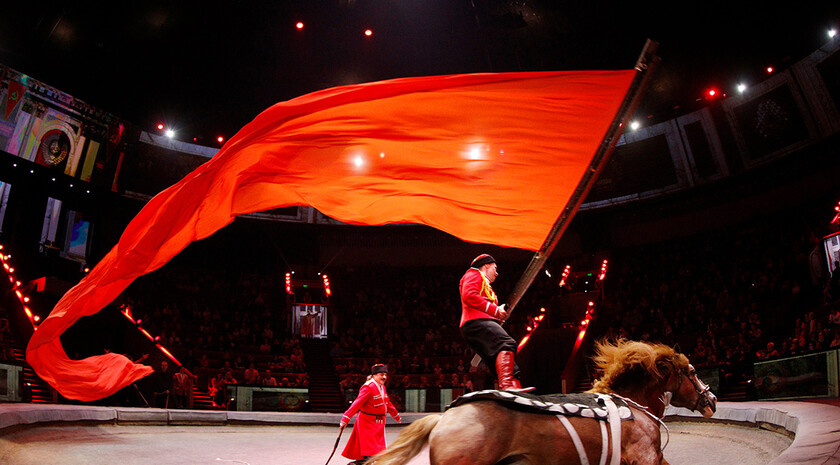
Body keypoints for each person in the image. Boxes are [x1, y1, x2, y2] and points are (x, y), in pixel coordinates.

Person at [459, 254, 532, 392]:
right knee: (506, 343)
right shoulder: (474, 274)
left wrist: (498, 313)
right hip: (475, 321)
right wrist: (495, 311)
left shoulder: (485, 284)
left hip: (476, 323)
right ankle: (507, 387)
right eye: (495, 268)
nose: (497, 273)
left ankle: (513, 387)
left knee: (498, 360)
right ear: (486, 265)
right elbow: (469, 295)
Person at [340, 364, 401, 464]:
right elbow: (357, 404)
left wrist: (396, 415)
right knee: (371, 450)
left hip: (378, 423)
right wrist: (345, 419)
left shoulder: (382, 387)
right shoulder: (368, 387)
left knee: (375, 451)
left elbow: (387, 402)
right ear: (374, 375)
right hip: (367, 423)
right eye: (381, 374)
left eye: (385, 374)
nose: (384, 377)